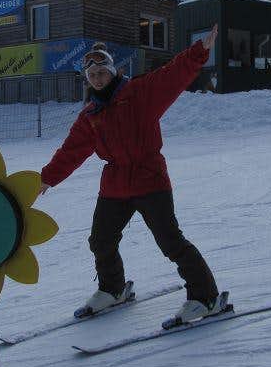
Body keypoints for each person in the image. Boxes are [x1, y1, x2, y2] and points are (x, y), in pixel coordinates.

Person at [39, 27, 221, 325]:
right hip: (115, 184)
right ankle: (113, 289)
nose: (97, 78)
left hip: (150, 179)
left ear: (113, 71)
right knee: (100, 240)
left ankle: (205, 297)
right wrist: (48, 177)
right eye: (92, 75)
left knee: (170, 242)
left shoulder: (138, 93)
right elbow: (71, 150)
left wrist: (199, 50)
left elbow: (171, 75)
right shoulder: (90, 116)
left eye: (102, 72)